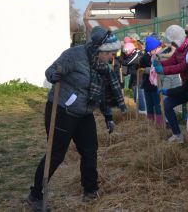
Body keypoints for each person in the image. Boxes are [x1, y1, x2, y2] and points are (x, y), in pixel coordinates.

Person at [25, 26, 127, 211]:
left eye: (114, 53)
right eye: (110, 53)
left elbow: (103, 93)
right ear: (99, 50)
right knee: (56, 154)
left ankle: (90, 190)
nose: (112, 57)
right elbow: (50, 70)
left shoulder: (102, 66)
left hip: (84, 113)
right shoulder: (74, 56)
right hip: (62, 111)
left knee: (90, 151)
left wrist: (108, 117)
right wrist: (53, 75)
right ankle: (35, 195)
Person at [153, 24, 188, 121]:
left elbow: (184, 65)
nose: (172, 45)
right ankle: (177, 134)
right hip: (186, 84)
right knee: (167, 104)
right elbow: (174, 60)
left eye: (172, 42)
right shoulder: (180, 47)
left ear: (177, 39)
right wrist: (161, 64)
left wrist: (164, 70)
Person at [139, 36, 164, 127]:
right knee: (150, 105)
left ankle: (159, 124)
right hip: (148, 84)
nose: (158, 49)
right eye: (156, 48)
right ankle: (151, 124)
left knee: (157, 104)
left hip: (156, 85)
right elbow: (141, 66)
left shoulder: (159, 56)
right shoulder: (146, 57)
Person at [122, 42, 146, 114]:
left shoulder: (137, 54)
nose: (125, 53)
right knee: (136, 97)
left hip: (140, 79)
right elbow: (129, 69)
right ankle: (140, 110)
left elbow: (127, 62)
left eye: (126, 52)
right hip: (135, 79)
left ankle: (143, 111)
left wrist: (120, 59)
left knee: (140, 96)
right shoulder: (131, 54)